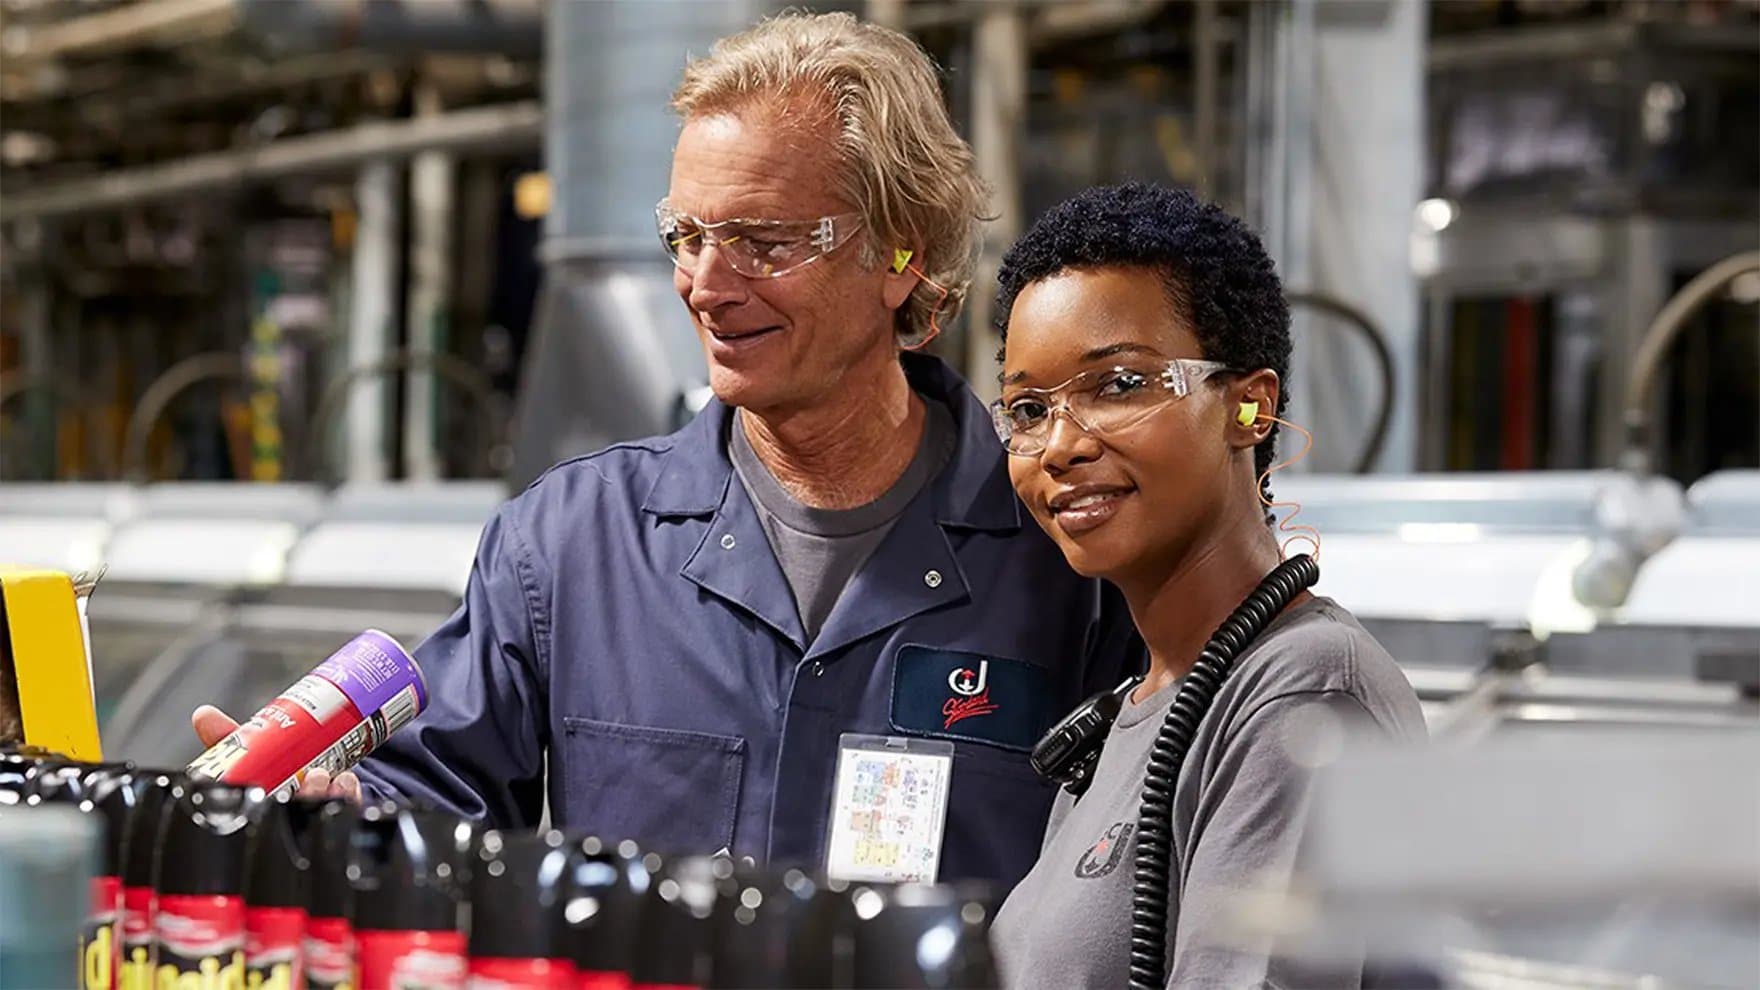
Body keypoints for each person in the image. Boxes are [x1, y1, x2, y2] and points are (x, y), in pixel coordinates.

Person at [193, 13, 1138, 888]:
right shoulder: (572, 545)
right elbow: (438, 806)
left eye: (762, 241)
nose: (706, 284)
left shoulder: (1065, 552)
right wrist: (339, 815)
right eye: (687, 236)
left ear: (899, 253)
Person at [984, 183, 1425, 987]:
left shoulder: (1302, 692)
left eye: (1118, 385)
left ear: (1250, 409)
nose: (1058, 446)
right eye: (1026, 408)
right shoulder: (1138, 708)